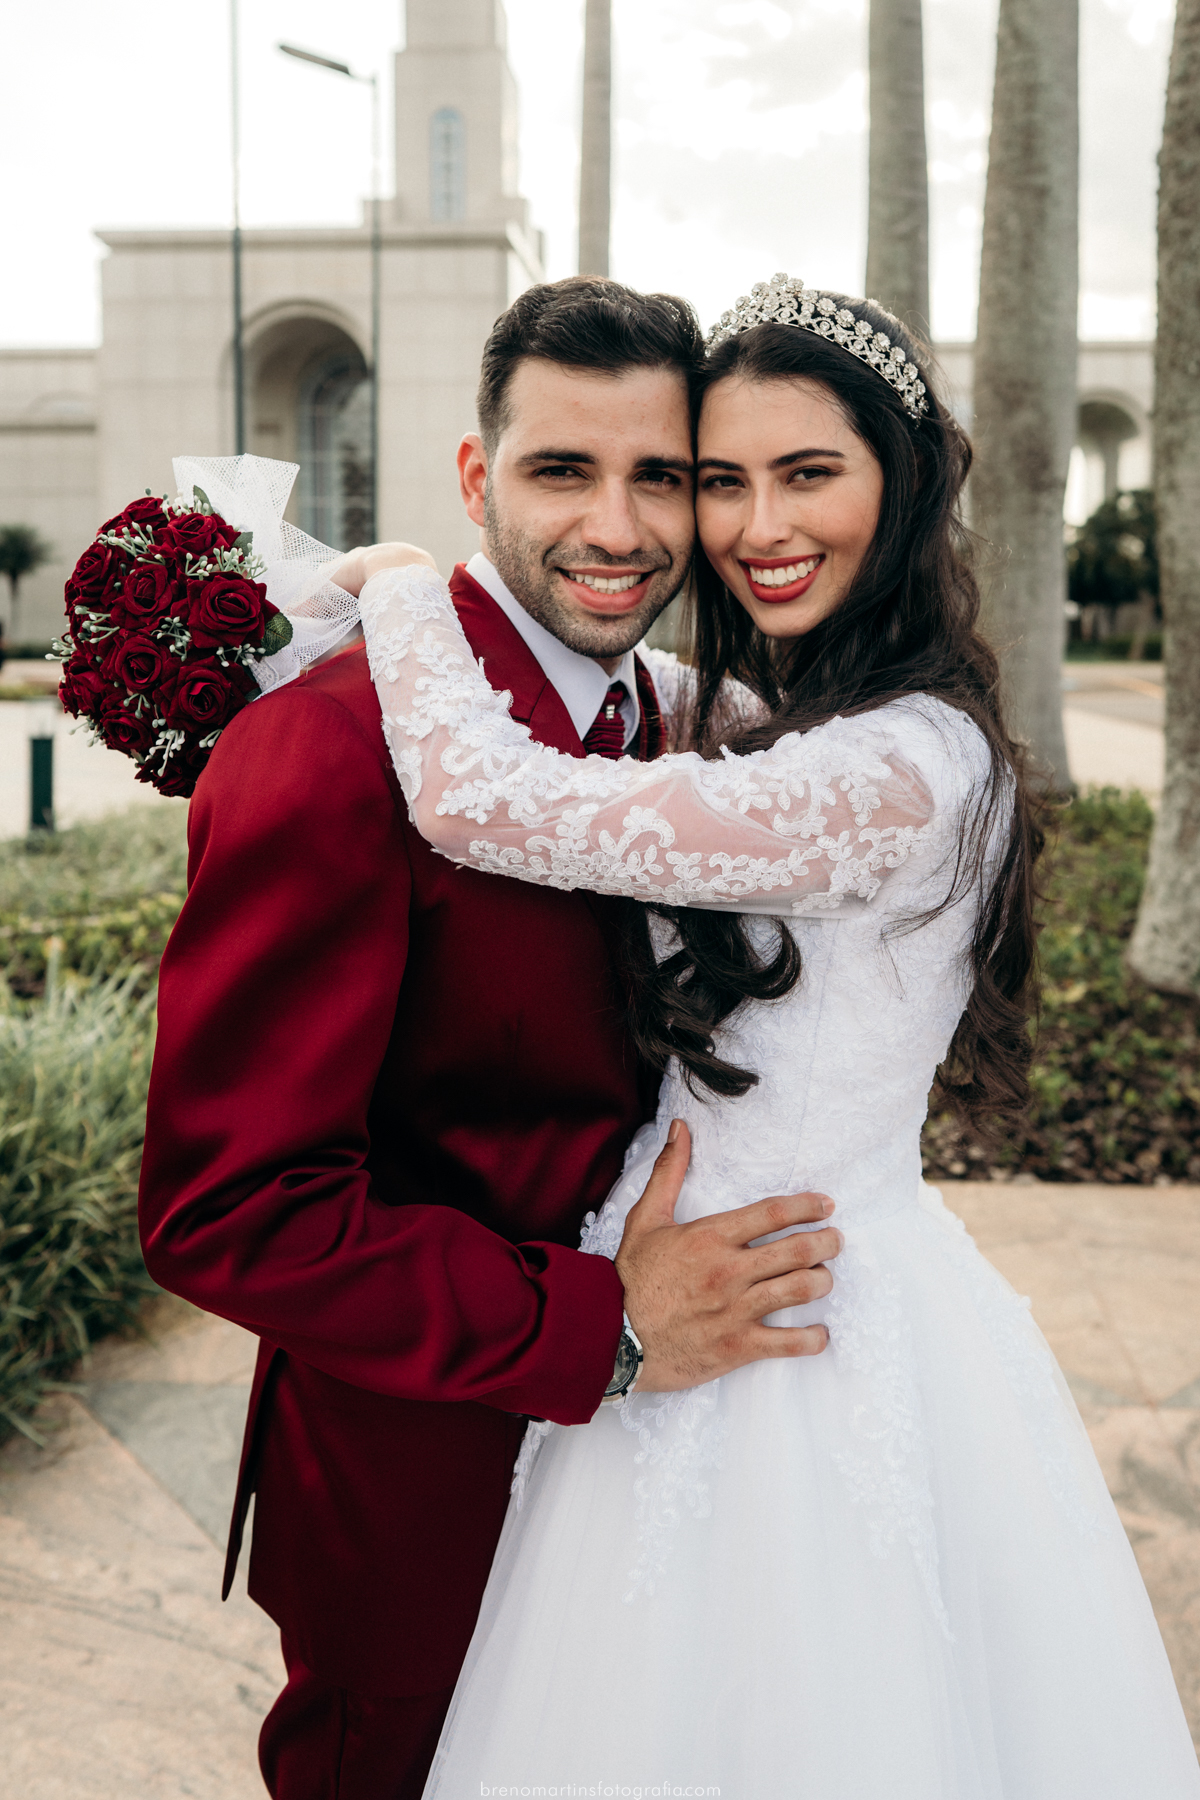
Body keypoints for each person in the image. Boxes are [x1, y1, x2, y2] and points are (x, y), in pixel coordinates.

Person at [348, 276, 1200, 1797]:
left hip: (784, 1338)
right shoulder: (823, 720)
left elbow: (483, 800)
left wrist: (409, 587)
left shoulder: (900, 769)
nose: (756, 527)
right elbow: (668, 695)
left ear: (904, 479)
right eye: (722, 481)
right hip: (707, 1293)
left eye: (808, 474)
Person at [136, 278, 845, 1800]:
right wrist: (606, 1329)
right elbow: (227, 1211)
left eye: (660, 476)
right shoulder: (332, 748)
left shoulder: (681, 733)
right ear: (475, 476)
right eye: (561, 470)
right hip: (431, 1509)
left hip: (674, 1486)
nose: (617, 527)